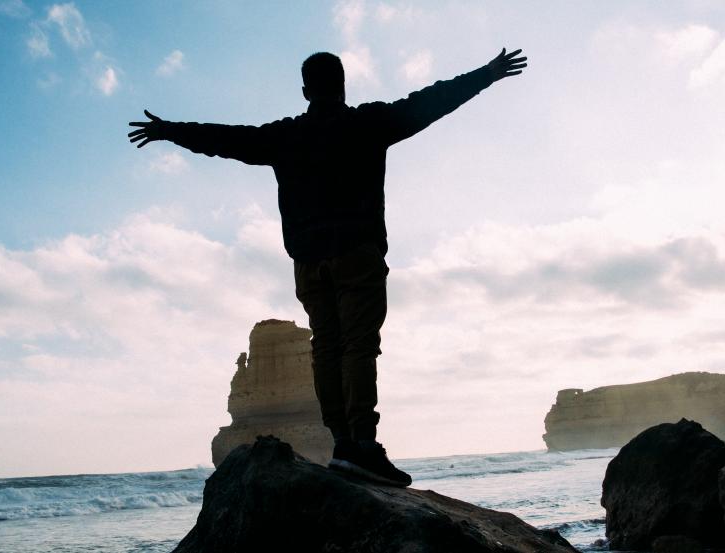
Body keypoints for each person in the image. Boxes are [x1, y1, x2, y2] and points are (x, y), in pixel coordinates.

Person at [129, 48, 527, 487]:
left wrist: (169, 130)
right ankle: (363, 446)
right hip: (357, 254)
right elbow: (430, 101)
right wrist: (486, 74)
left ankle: (341, 445)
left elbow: (226, 139)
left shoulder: (286, 136)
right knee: (358, 346)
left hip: (308, 262)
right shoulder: (368, 124)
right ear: (343, 85)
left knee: (326, 348)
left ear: (305, 91)